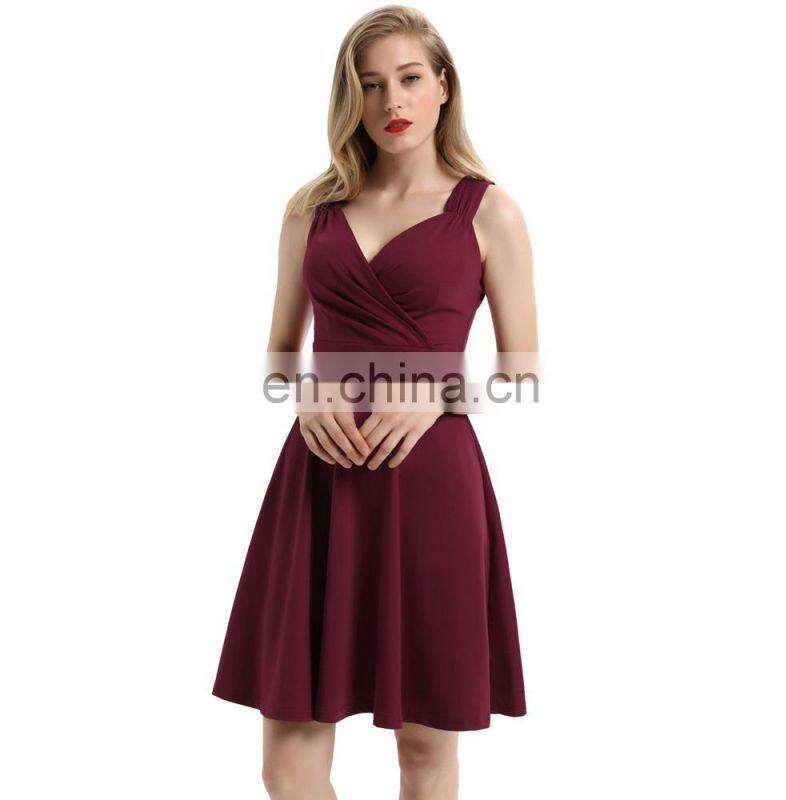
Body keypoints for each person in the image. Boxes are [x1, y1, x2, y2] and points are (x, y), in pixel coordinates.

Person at [212, 6, 539, 798]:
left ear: (443, 87)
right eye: (369, 85)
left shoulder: (489, 210)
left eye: (409, 78)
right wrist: (302, 394)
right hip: (319, 482)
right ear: (348, 98)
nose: (391, 100)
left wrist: (439, 395)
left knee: (424, 757)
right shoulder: (311, 209)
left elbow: (523, 369)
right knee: (287, 768)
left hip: (431, 487)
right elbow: (278, 357)